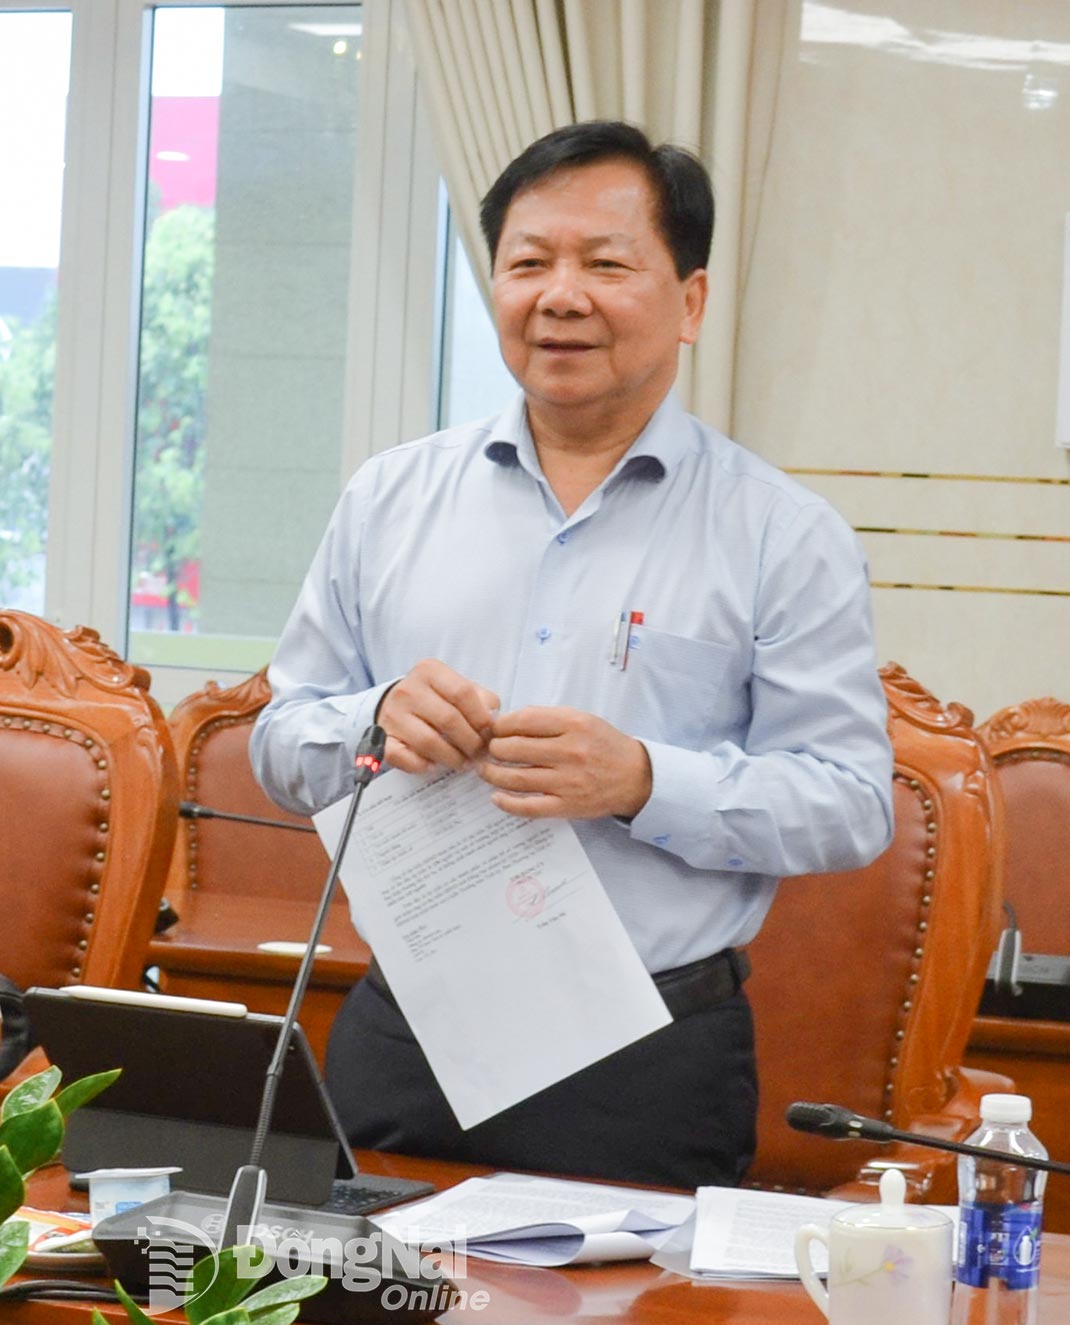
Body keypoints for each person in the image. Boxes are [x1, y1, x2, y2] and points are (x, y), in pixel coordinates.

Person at [250, 121, 894, 1188]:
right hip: (409, 1026)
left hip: (643, 1051)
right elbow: (279, 742)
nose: (560, 295)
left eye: (604, 263)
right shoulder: (390, 497)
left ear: (688, 302)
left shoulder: (782, 533)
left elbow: (847, 803)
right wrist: (371, 724)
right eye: (528, 262)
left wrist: (643, 780)